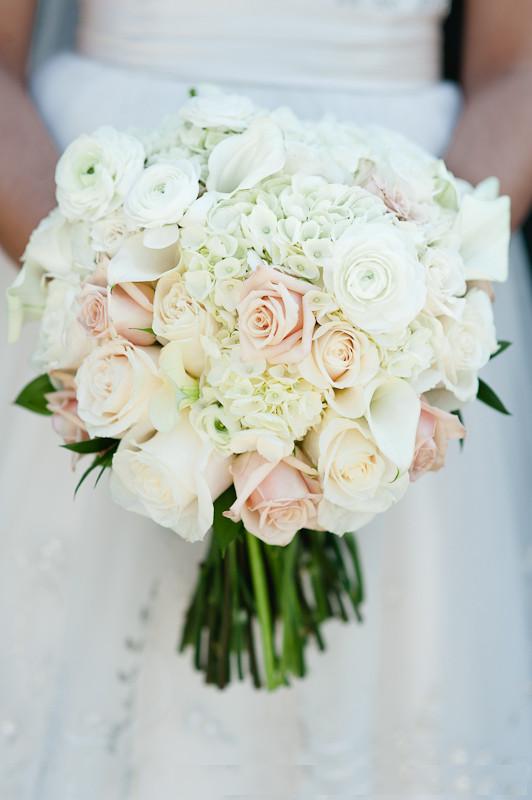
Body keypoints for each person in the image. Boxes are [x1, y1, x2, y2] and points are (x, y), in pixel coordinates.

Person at [1, 1, 532, 796]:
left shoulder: (419, 271)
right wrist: (100, 281)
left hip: (405, 227)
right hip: (112, 211)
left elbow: (517, 67)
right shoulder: (99, 264)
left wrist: (427, 286)